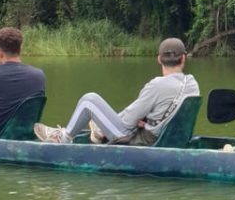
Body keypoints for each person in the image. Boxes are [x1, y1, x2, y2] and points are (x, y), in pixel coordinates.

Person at [33, 38, 200, 145]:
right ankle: (98, 130)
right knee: (131, 116)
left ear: (158, 59)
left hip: (143, 141)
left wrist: (142, 122)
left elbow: (128, 122)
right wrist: (148, 122)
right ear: (183, 58)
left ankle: (64, 138)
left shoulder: (156, 85)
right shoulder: (192, 83)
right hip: (168, 137)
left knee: (88, 100)